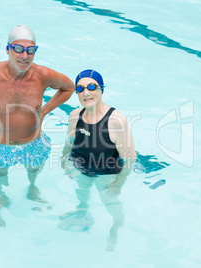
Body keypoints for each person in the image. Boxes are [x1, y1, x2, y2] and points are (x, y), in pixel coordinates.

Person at [0, 25, 75, 227]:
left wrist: (44, 110)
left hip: (33, 142)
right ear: (7, 49)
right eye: (18, 49)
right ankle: (0, 197)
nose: (24, 55)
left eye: (31, 50)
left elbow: (68, 87)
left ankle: (32, 188)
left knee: (34, 170)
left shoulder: (43, 75)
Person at [60, 69, 136, 251]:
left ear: (101, 89)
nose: (86, 93)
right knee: (82, 194)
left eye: (92, 86)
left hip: (107, 171)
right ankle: (82, 212)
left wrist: (119, 183)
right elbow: (70, 142)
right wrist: (64, 161)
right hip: (80, 166)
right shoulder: (74, 116)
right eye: (80, 88)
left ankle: (115, 228)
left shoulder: (116, 121)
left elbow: (130, 158)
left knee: (112, 205)